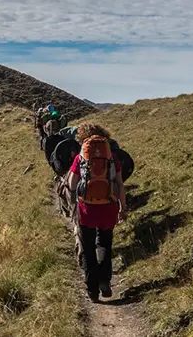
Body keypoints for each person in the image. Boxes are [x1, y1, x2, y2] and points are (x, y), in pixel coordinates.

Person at [67, 123, 127, 301]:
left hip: (87, 210)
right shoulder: (112, 157)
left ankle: (92, 289)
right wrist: (123, 207)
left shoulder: (81, 157)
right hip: (109, 207)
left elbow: (71, 184)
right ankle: (105, 281)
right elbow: (120, 185)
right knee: (104, 244)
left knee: (87, 247)